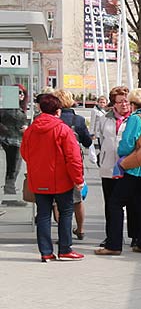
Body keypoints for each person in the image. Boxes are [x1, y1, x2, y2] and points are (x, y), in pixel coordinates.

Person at [95, 88, 141, 256]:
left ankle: (113, 244)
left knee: (115, 203)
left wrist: (122, 154)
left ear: (133, 104)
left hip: (137, 167)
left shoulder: (136, 118)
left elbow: (126, 144)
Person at [21, 94, 84, 262]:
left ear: (40, 109)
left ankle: (46, 252)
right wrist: (78, 179)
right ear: (58, 111)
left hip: (39, 178)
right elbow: (73, 158)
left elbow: (25, 153)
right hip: (61, 180)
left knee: (43, 215)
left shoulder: (31, 130)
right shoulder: (63, 129)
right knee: (66, 212)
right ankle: (65, 249)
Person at [97, 86, 135, 248]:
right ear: (113, 104)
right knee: (110, 203)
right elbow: (98, 138)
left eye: (126, 101)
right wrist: (100, 157)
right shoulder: (105, 118)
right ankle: (111, 236)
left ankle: (135, 235)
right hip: (109, 167)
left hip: (129, 167)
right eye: (120, 102)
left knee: (132, 202)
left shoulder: (134, 119)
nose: (124, 104)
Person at [53, 89, 92, 240]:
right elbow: (87, 142)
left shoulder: (53, 119)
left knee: (57, 201)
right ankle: (80, 229)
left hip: (56, 163)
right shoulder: (79, 120)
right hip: (74, 163)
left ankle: (64, 231)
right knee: (77, 199)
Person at [0, 84, 28, 195]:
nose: (21, 95)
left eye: (23, 93)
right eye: (18, 92)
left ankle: (9, 191)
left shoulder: (14, 107)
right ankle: (9, 192)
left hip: (14, 140)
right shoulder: (9, 108)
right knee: (13, 167)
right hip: (12, 141)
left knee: (14, 167)